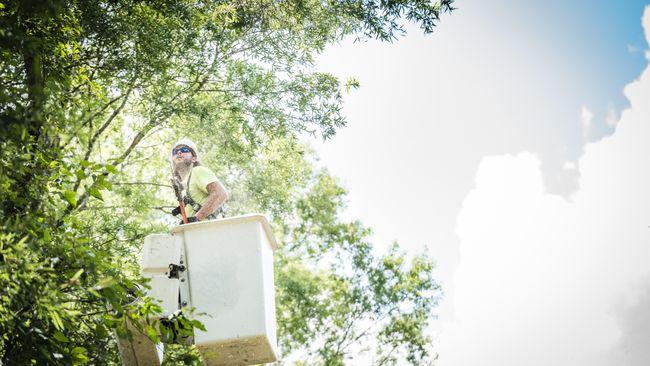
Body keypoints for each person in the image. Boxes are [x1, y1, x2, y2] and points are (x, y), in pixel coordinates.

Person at [169, 139, 228, 223]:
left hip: (208, 230)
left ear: (194, 158)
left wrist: (196, 218)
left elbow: (220, 194)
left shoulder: (197, 171)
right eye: (175, 151)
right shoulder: (183, 187)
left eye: (184, 150)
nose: (179, 152)